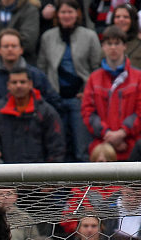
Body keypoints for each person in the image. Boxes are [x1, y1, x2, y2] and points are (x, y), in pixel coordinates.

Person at [37, 0, 102, 162]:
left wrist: (87, 92)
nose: (66, 16)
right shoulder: (47, 37)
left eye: (70, 12)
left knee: (81, 148)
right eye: (63, 12)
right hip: (55, 100)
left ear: (77, 14)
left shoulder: (90, 36)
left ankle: (83, 187)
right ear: (57, 15)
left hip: (80, 99)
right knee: (59, 148)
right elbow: (42, 68)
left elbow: (96, 69)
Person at [0, 28, 62, 146]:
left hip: (33, 140)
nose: (10, 49)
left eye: (14, 46)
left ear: (21, 49)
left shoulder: (36, 76)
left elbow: (54, 104)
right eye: (6, 46)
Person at [81, 26, 141, 162]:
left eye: (117, 43)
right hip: (101, 150)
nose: (113, 48)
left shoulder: (138, 77)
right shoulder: (94, 78)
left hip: (131, 147)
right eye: (109, 44)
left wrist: (123, 132)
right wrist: (107, 134)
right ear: (103, 47)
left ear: (125, 46)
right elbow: (87, 113)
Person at [0, 65, 66, 164]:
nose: (18, 86)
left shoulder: (46, 112)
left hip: (39, 173)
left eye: (22, 82)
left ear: (30, 84)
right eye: (14, 82)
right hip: (7, 173)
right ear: (8, 85)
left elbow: (57, 146)